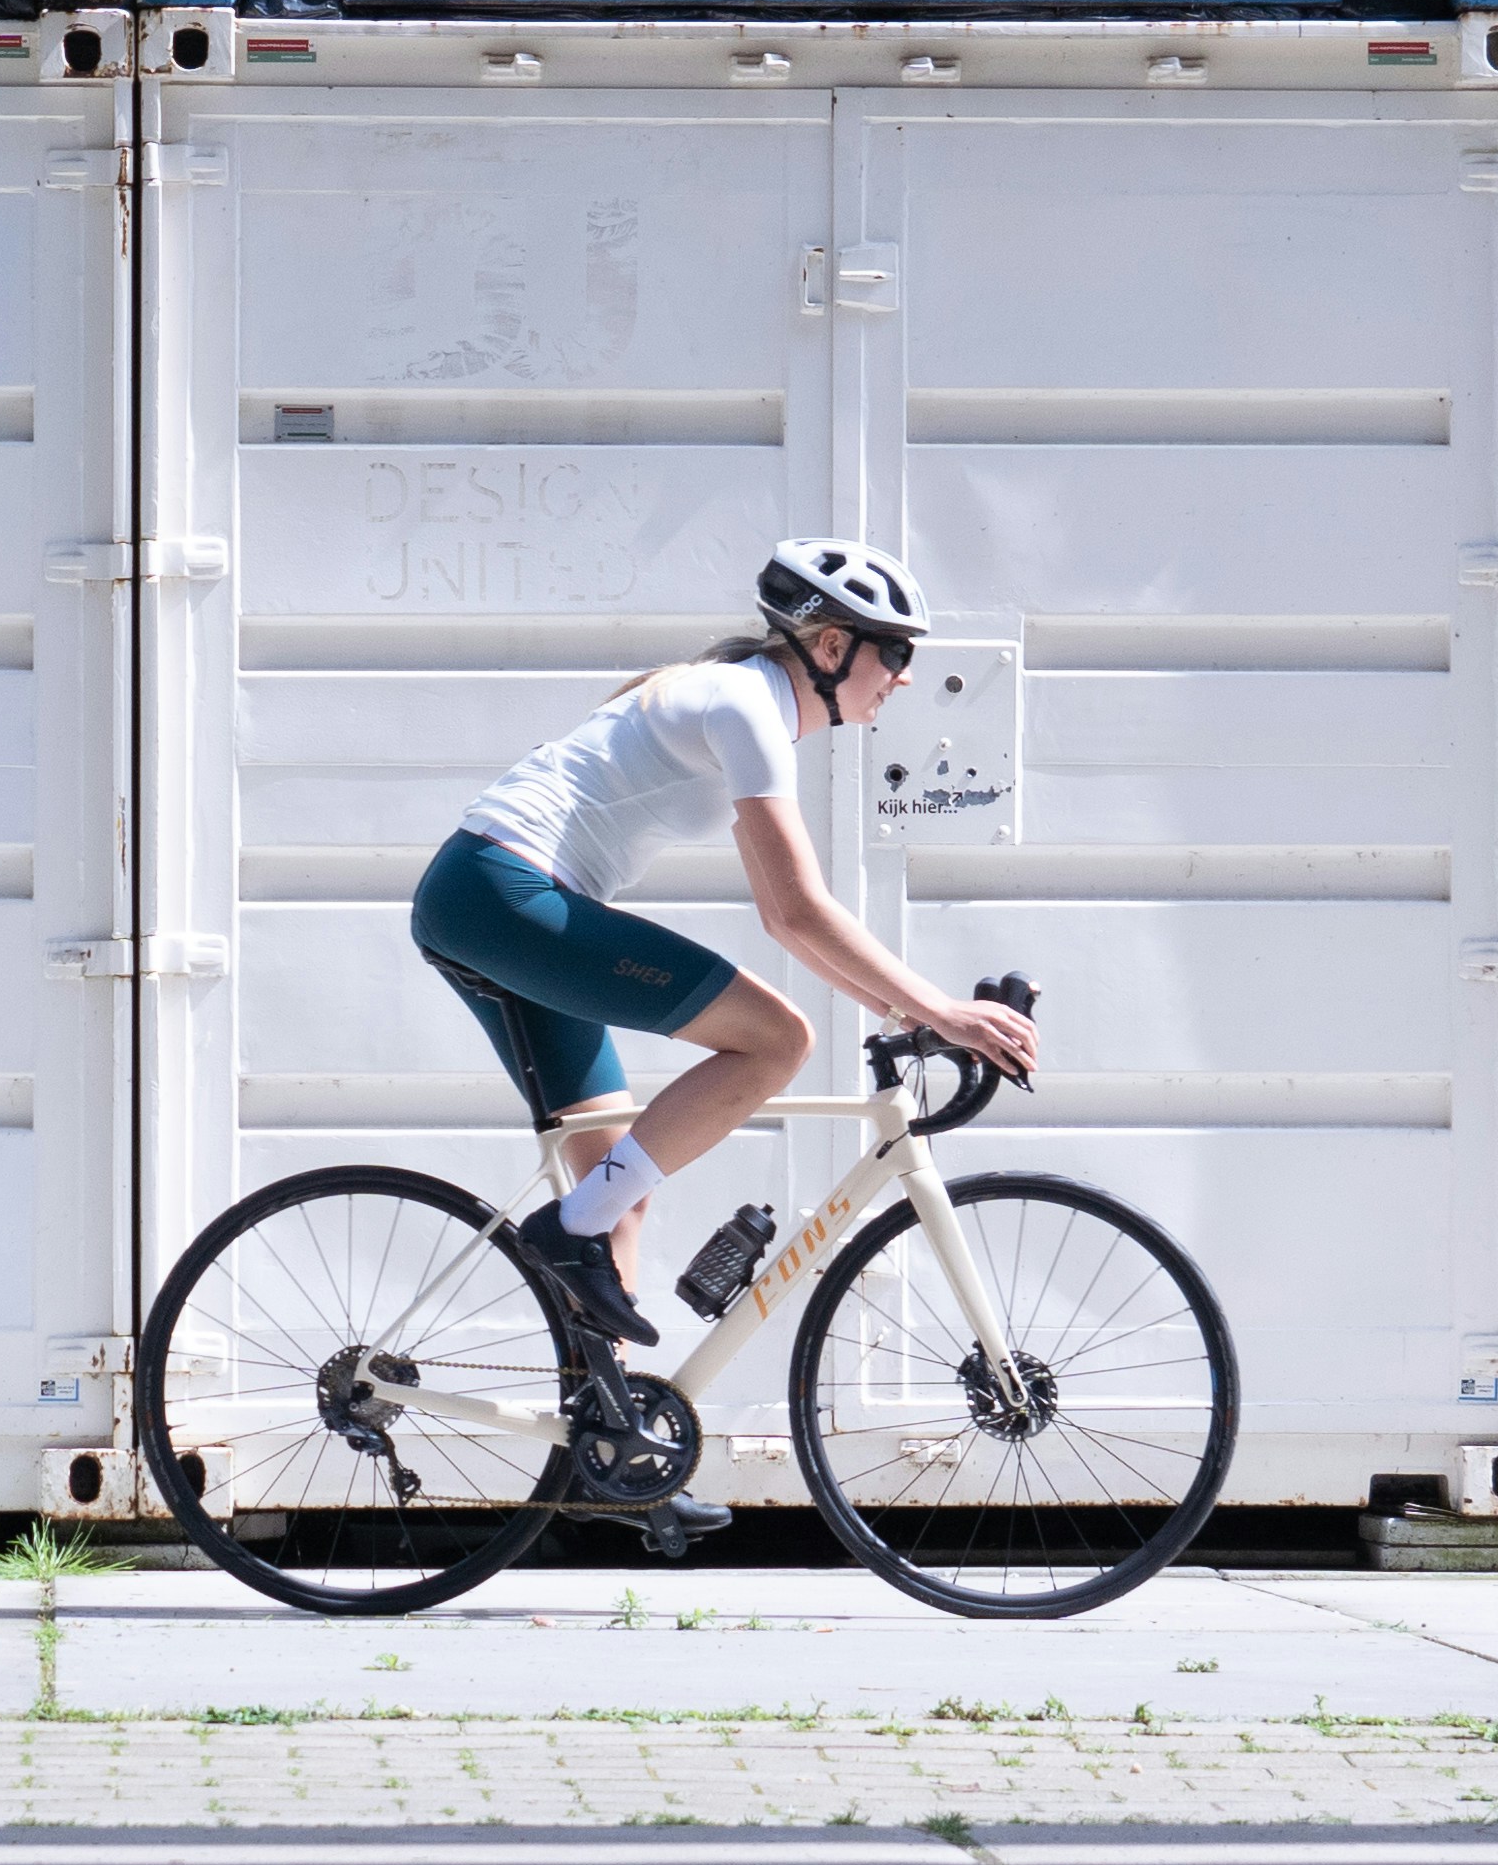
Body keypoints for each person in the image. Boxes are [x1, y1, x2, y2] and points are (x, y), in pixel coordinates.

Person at [410, 536, 1043, 1344]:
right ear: (831, 645)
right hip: (501, 896)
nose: (905, 675)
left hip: (489, 902)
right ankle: (563, 1239)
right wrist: (943, 1014)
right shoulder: (746, 706)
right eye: (894, 652)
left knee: (616, 1195)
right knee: (776, 1041)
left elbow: (785, 915)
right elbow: (801, 911)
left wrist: (898, 1011)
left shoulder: (748, 705)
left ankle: (598, 1445)